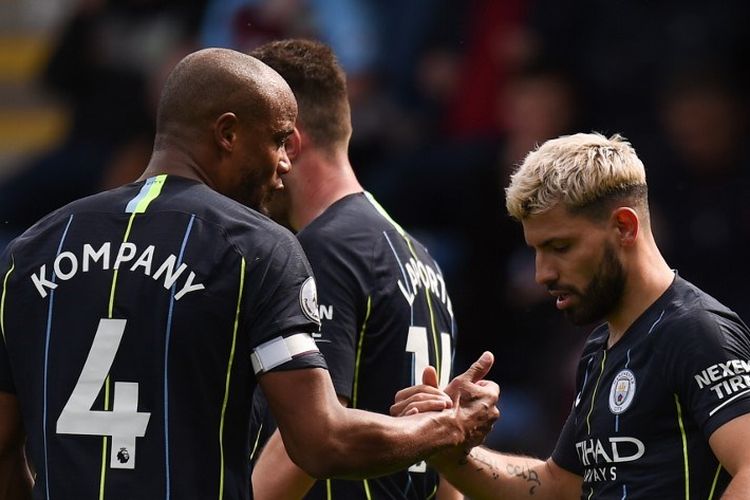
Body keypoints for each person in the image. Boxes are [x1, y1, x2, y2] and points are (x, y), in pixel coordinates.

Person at [0, 47, 500, 500]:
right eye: (280, 140)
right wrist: (446, 428)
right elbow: (320, 443)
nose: (286, 163)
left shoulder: (31, 249)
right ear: (228, 133)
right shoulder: (258, 249)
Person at [392, 132, 750, 498]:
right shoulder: (600, 349)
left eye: (560, 247)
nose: (542, 274)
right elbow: (557, 485)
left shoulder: (696, 331)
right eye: (535, 250)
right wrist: (449, 447)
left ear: (624, 227)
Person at [245, 39, 462, 500]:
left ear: (290, 142)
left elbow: (304, 441)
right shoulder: (419, 257)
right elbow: (445, 469)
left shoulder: (323, 252)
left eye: (252, 141)